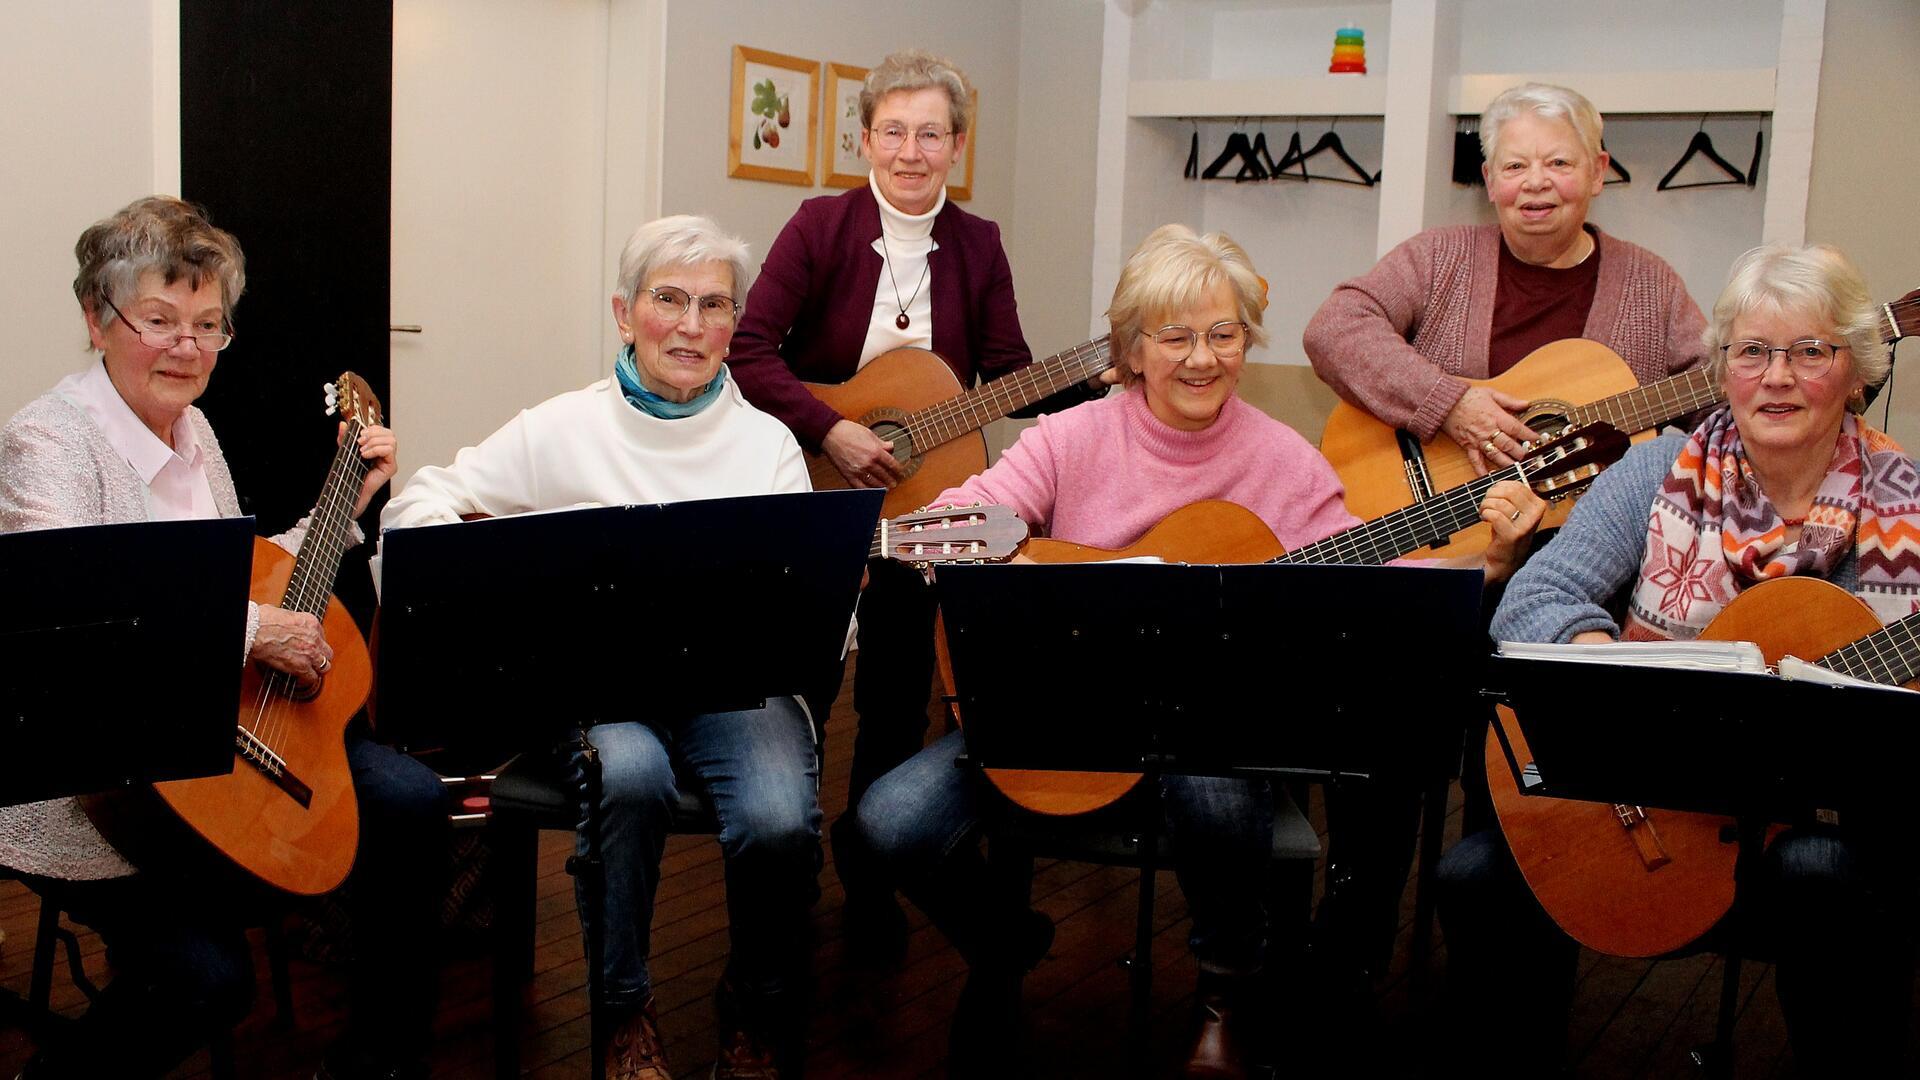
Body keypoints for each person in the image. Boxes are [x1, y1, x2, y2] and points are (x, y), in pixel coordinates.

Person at [856, 224, 1546, 1078]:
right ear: (1132, 350)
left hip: (1208, 731)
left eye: (1223, 334)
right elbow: (980, 505)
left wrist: (1484, 565)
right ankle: (1003, 948)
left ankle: (1227, 987)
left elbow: (1377, 572)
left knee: (1216, 790)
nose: (1201, 358)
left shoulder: (1282, 461)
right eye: (1174, 336)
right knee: (890, 822)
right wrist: (897, 544)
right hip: (1066, 720)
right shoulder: (1071, 438)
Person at [0, 196, 449, 1080]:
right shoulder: (46, 441)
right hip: (93, 781)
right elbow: (81, 613)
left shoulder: (193, 427)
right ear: (97, 318)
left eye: (210, 325)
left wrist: (340, 510)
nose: (189, 347)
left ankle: (380, 1060)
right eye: (160, 320)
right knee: (209, 978)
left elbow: (236, 583)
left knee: (409, 801)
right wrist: (250, 631)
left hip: (217, 745)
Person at [1445, 243, 1917, 1075]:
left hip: (1808, 829)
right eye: (1752, 351)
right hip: (1638, 812)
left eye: (1810, 352)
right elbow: (1535, 596)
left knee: (1827, 874)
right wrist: (1608, 668)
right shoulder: (1657, 470)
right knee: (1477, 873)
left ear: (1857, 372)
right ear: (1722, 369)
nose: (1776, 377)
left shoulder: (1905, 503)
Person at [380, 215, 817, 1080]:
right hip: (595, 690)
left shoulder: (768, 446)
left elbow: (817, 614)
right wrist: (494, 595)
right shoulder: (559, 429)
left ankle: (754, 1007)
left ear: (736, 324)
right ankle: (623, 1012)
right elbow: (414, 508)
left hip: (732, 691)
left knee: (776, 819)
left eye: (715, 306)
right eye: (669, 300)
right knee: (630, 773)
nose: (691, 326)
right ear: (624, 314)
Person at [728, 48, 1110, 953]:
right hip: (813, 492)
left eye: (930, 133)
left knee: (897, 701)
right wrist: (829, 428)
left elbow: (1010, 376)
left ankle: (870, 875)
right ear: (864, 137)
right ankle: (781, 875)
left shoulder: (979, 244)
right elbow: (749, 351)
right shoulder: (819, 226)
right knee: (803, 689)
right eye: (894, 131)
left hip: (922, 507)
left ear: (957, 147)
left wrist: (1104, 380)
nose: (910, 150)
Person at [1304, 81, 1708, 475]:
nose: (1535, 182)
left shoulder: (1654, 286)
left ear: (1598, 172)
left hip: (1592, 535)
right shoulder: (1438, 257)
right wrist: (1448, 405)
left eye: (1559, 163)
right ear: (1491, 181)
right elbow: (1334, 329)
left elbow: (1720, 398)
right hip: (1449, 529)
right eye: (1515, 166)